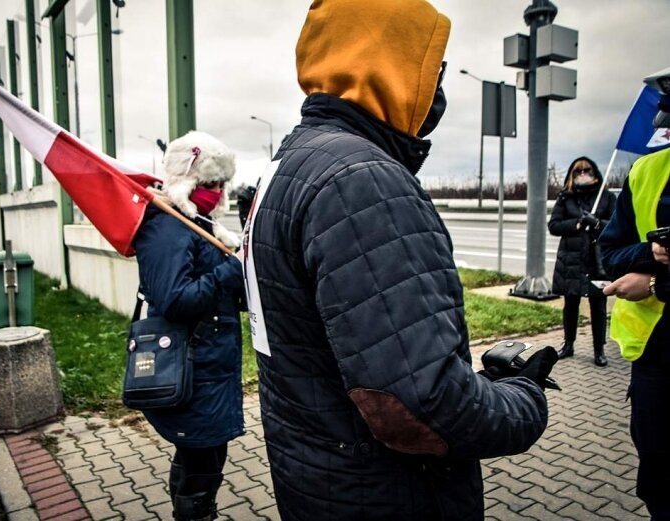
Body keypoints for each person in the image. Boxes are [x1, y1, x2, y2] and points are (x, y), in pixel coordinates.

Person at [242, 1, 558, 518]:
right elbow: (419, 407)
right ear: (388, 63)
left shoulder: (290, 164)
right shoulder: (361, 180)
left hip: (320, 478)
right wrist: (523, 396)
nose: (437, 88)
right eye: (433, 68)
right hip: (386, 495)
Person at [132, 131, 245, 521]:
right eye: (208, 183)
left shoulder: (199, 225)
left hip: (209, 368)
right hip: (193, 370)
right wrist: (231, 271)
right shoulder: (168, 228)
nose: (216, 192)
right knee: (203, 465)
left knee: (199, 456)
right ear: (187, 181)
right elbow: (175, 300)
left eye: (220, 184)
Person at [601, 66, 670, 520]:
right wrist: (650, 251)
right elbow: (609, 251)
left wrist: (657, 282)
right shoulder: (647, 170)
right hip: (656, 358)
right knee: (659, 479)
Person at [548, 156, 616, 366]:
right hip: (571, 259)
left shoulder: (605, 197)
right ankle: (568, 344)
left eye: (587, 171)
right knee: (570, 304)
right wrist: (577, 224)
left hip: (596, 260)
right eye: (578, 172)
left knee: (598, 305)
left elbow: (616, 225)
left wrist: (597, 223)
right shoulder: (565, 198)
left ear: (595, 174)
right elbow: (554, 225)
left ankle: (599, 349)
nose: (583, 175)